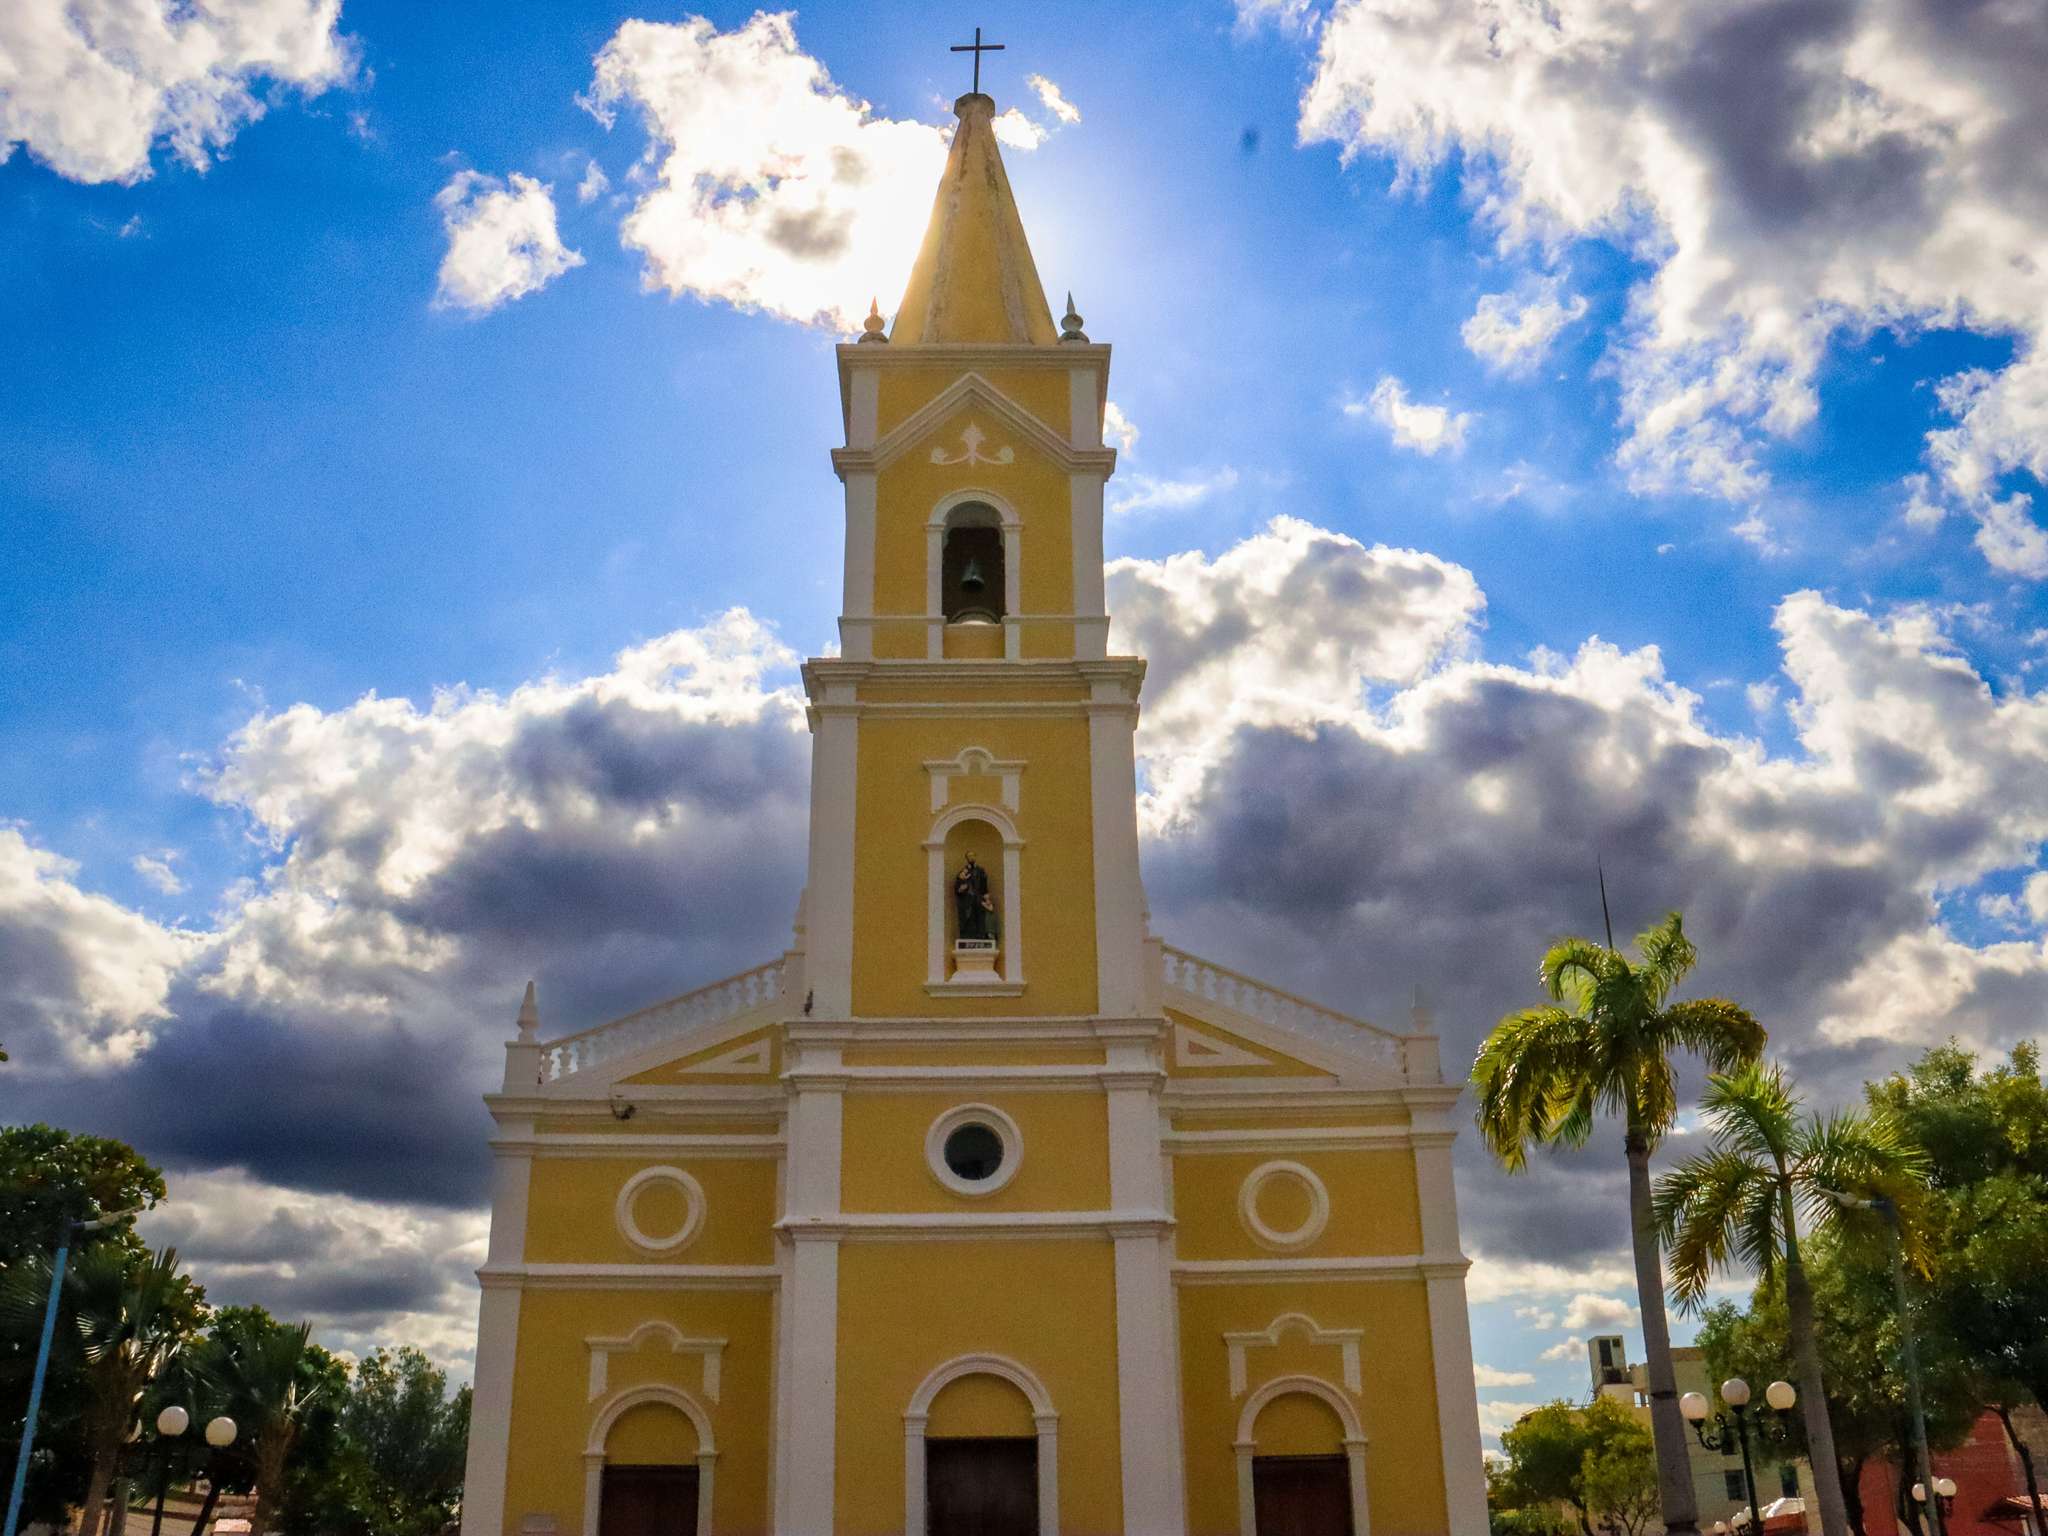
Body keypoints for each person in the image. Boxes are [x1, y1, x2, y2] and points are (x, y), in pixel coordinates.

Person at [954, 853, 990, 941]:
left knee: (980, 917)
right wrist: (961, 889)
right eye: (969, 856)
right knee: (968, 916)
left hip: (978, 898)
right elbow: (958, 886)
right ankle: (968, 936)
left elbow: (984, 887)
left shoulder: (981, 871)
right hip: (967, 899)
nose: (971, 857)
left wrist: (987, 899)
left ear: (976, 857)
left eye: (973, 855)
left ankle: (981, 936)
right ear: (966, 858)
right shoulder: (963, 872)